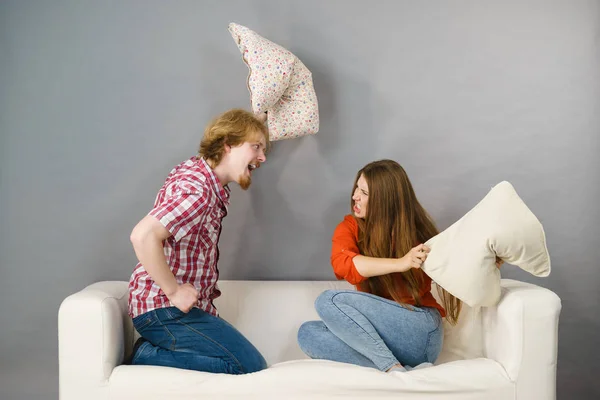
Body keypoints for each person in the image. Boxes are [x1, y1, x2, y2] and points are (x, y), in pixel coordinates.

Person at [297, 159, 502, 373]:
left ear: (384, 199)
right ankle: (397, 368)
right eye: (356, 188)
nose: (354, 196)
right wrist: (401, 263)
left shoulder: (417, 233)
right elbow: (344, 265)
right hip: (387, 339)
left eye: (364, 192)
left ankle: (390, 368)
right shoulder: (350, 227)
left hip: (420, 330)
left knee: (328, 300)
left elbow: (457, 266)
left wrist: (488, 261)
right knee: (308, 333)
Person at [126, 109, 270, 374]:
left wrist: (256, 120)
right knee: (249, 365)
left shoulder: (201, 174)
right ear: (228, 145)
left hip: (170, 311)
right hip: (164, 310)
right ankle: (146, 355)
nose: (262, 157)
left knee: (248, 363)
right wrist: (174, 291)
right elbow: (143, 235)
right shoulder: (199, 190)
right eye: (256, 147)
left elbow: (235, 130)